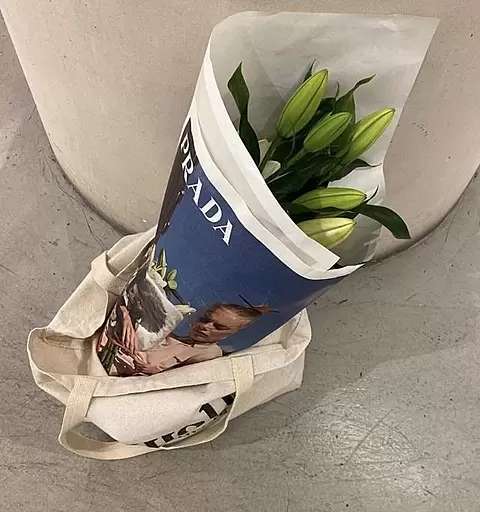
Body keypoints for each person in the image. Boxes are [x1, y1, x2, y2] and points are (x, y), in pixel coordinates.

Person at [115, 302, 270, 375]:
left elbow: (168, 377)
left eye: (219, 327)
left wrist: (149, 368)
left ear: (232, 334)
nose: (205, 326)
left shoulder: (209, 353)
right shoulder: (177, 338)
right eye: (205, 319)